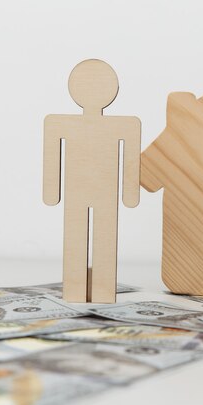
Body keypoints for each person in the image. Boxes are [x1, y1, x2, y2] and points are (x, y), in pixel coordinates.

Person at [43, 59, 141, 303]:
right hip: (82, 194)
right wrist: (52, 191)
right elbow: (52, 156)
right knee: (78, 239)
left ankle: (101, 291)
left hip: (101, 194)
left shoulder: (126, 125)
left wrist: (129, 194)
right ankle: (78, 290)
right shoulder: (57, 122)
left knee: (103, 240)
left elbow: (130, 161)